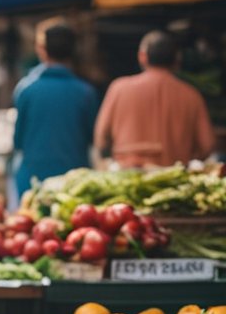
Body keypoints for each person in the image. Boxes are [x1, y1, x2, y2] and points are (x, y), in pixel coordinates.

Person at [94, 30, 215, 168]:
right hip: (172, 180)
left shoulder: (118, 89)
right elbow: (207, 145)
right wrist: (185, 161)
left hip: (127, 177)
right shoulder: (192, 95)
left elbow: (101, 140)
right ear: (177, 60)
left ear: (142, 57)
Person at [12, 19, 98, 200]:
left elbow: (18, 141)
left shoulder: (26, 89)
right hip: (73, 185)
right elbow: (94, 138)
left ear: (41, 50)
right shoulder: (85, 92)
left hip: (32, 184)